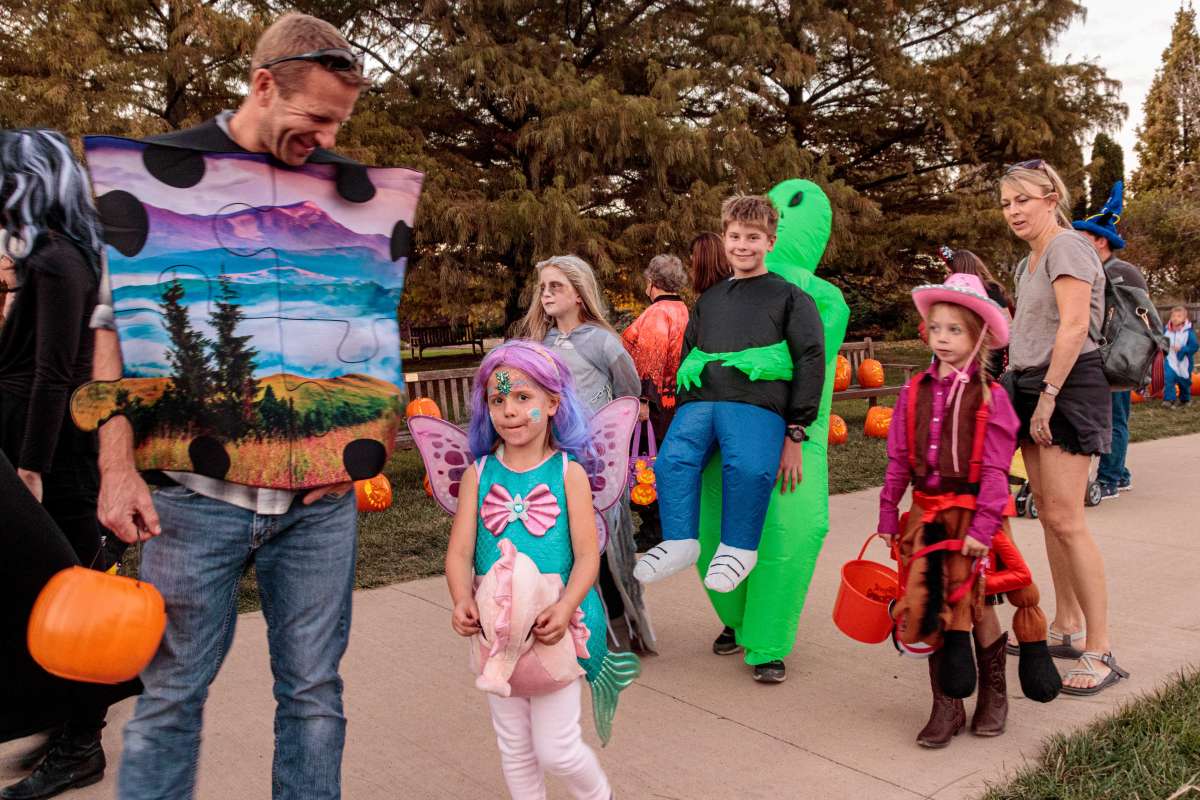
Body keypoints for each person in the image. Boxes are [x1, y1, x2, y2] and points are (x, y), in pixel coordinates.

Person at [89, 14, 376, 799]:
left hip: (318, 507)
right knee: (171, 698)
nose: (325, 135)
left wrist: (353, 447)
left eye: (338, 123)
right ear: (261, 85)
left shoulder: (346, 194)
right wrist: (117, 471)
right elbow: (112, 335)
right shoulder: (159, 170)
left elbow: (362, 324)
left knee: (315, 697)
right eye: (315, 117)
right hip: (192, 500)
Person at [0, 128, 139, 800]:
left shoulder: (57, 260)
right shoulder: (58, 255)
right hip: (48, 445)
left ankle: (79, 742)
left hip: (54, 454)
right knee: (60, 596)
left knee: (79, 599)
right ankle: (61, 725)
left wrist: (30, 467)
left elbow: (57, 372)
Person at [878, 272, 1061, 748]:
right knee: (934, 606)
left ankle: (993, 695)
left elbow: (998, 470)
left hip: (978, 518)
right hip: (928, 517)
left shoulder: (991, 398)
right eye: (935, 328)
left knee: (977, 607)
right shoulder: (912, 392)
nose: (942, 338)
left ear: (978, 335)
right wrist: (886, 514)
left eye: (954, 330)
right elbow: (899, 459)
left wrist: (983, 525)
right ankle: (947, 705)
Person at [444, 341, 625, 800]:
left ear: (552, 401)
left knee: (558, 748)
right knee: (515, 748)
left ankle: (597, 795)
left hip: (553, 629)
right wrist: (461, 598)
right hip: (497, 631)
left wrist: (566, 608)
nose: (510, 411)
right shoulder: (479, 474)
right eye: (498, 399)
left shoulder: (568, 473)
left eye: (523, 398)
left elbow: (588, 555)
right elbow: (460, 552)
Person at [634, 194, 825, 593]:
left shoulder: (789, 297)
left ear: (770, 242)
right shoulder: (710, 300)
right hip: (701, 404)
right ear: (725, 240)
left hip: (755, 405)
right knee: (671, 462)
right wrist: (685, 409)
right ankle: (679, 541)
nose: (743, 245)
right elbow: (689, 354)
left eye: (753, 237)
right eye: (735, 236)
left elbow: (810, 358)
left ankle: (739, 548)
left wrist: (796, 431)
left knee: (749, 467)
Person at [999, 159, 1128, 695]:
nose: (1013, 212)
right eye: (1006, 204)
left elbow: (1076, 326)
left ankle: (1099, 650)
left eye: (1023, 200)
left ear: (1052, 197)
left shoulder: (1068, 246)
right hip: (1029, 383)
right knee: (1050, 516)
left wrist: (1049, 396)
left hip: (1066, 385)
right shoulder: (1028, 262)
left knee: (1068, 520)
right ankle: (1066, 625)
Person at [514, 255, 655, 653]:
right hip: (553, 460)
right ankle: (567, 627)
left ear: (579, 293)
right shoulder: (540, 344)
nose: (546, 295)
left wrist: (607, 437)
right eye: (543, 288)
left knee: (603, 547)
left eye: (555, 287)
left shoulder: (602, 342)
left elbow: (627, 393)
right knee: (560, 546)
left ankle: (621, 630)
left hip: (596, 464)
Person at [1073, 181, 1150, 497]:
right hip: (1095, 353)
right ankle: (1121, 471)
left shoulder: (1123, 272)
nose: (1078, 243)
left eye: (1085, 237)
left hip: (1119, 355)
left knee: (1114, 417)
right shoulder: (1089, 270)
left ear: (1101, 241)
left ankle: (1110, 479)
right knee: (1100, 416)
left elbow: (1140, 317)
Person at [620, 254, 690, 549]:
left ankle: (654, 530)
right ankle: (672, 525)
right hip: (677, 402)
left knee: (646, 464)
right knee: (668, 464)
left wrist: (643, 400)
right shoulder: (685, 310)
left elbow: (649, 360)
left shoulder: (657, 314)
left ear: (653, 282)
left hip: (655, 405)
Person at [940, 247, 1012, 379]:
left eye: (950, 272)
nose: (947, 277)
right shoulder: (954, 294)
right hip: (962, 356)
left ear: (962, 271)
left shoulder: (990, 290)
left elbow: (1008, 325)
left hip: (988, 358)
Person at [1163, 306, 1197, 408]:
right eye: (1173, 316)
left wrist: (1183, 349)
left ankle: (1185, 399)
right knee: (1169, 378)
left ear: (1184, 318)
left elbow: (1194, 346)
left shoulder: (1188, 333)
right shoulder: (1166, 331)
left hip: (1184, 363)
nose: (1175, 318)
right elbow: (1162, 342)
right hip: (1170, 360)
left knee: (1185, 381)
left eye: (1178, 316)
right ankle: (1169, 399)